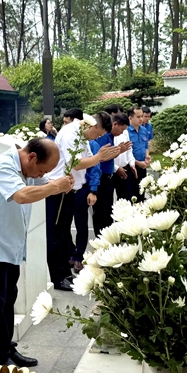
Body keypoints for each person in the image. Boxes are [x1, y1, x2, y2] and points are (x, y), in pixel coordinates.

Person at [0, 138, 74, 368]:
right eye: (42, 170)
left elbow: (46, 183)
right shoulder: (3, 165)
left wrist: (62, 183)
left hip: (10, 248)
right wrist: (55, 187)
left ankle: (7, 348)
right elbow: (22, 195)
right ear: (32, 157)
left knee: (7, 302)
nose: (41, 175)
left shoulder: (27, 168)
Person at [45, 115, 126, 291]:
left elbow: (91, 159)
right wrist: (99, 157)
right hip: (59, 189)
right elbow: (75, 163)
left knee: (64, 234)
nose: (97, 138)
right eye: (98, 134)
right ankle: (57, 277)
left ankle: (65, 273)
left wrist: (102, 157)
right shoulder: (70, 133)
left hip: (72, 189)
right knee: (56, 236)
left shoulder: (83, 136)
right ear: (92, 126)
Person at [73, 112, 116, 269]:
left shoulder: (92, 145)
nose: (98, 136)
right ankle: (70, 253)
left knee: (81, 224)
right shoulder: (71, 141)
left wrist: (93, 190)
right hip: (66, 188)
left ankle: (79, 256)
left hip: (83, 188)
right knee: (63, 225)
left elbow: (95, 169)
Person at [127, 107, 151, 198]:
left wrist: (147, 156)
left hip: (143, 166)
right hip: (132, 167)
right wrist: (137, 163)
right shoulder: (126, 132)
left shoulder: (144, 130)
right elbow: (126, 153)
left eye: (141, 116)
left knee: (142, 192)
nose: (141, 119)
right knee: (132, 194)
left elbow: (146, 146)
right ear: (130, 118)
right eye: (138, 117)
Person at [111, 113, 137, 201]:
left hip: (125, 170)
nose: (122, 132)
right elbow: (104, 156)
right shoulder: (108, 135)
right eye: (121, 129)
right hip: (112, 171)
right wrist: (116, 168)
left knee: (126, 198)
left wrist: (132, 164)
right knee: (108, 202)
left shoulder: (125, 132)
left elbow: (129, 150)